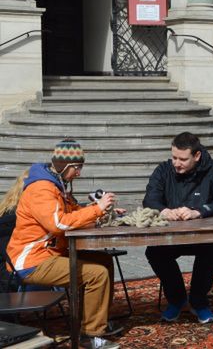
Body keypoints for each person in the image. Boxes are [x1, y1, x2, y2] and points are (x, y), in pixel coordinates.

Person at [5, 139, 124, 349]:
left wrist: (101, 210)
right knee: (97, 274)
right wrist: (96, 210)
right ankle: (90, 336)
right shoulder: (41, 189)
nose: (79, 173)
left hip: (49, 254)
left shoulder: (55, 184)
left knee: (103, 261)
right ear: (65, 166)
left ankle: (95, 321)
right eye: (77, 168)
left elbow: (72, 212)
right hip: (32, 261)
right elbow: (58, 223)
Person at [143, 131, 213, 324]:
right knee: (154, 252)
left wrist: (199, 211)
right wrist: (163, 210)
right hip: (170, 238)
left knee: (212, 247)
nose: (176, 163)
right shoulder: (163, 170)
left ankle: (199, 301)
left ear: (197, 156)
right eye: (174, 157)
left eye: (182, 159)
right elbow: (149, 199)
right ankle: (177, 299)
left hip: (202, 238)